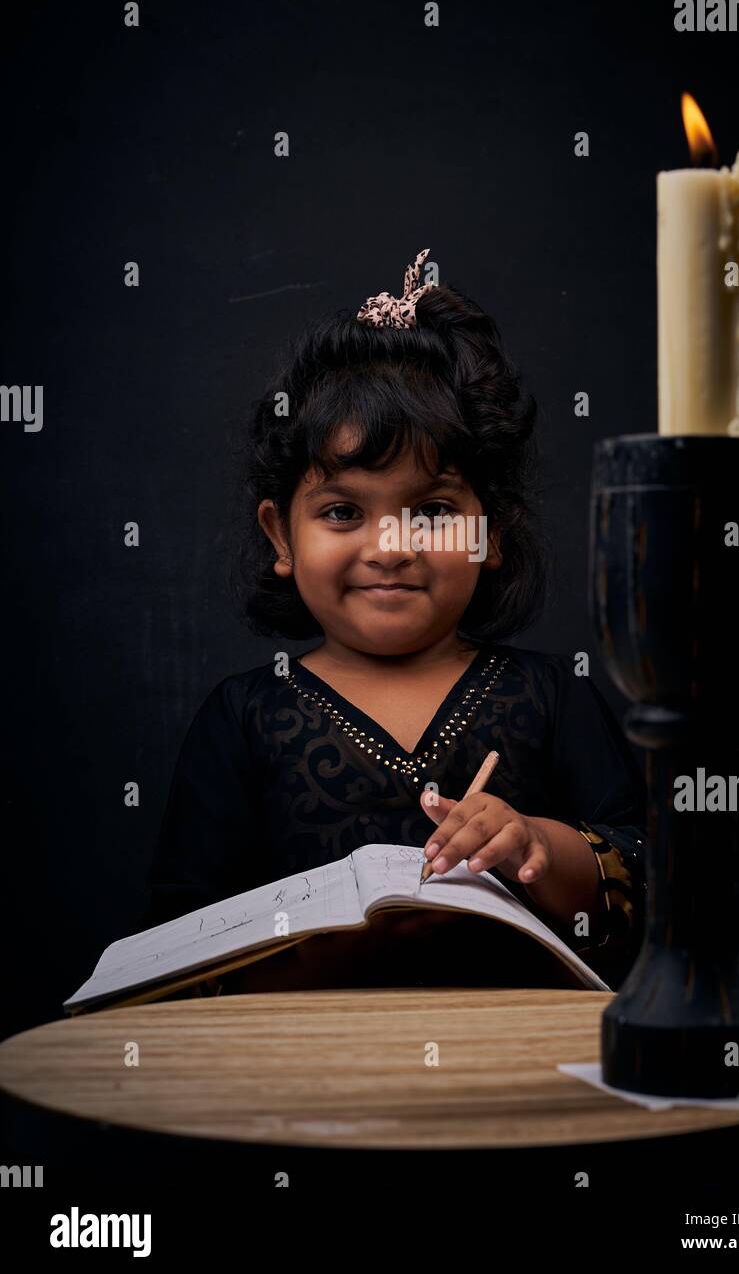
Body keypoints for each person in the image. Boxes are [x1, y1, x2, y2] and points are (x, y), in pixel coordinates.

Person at [142, 248, 647, 992]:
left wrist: (536, 845)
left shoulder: (552, 698)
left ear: (492, 533)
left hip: (522, 1068)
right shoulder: (245, 718)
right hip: (302, 1085)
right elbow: (176, 946)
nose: (390, 548)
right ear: (282, 536)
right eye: (344, 511)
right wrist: (306, 954)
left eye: (434, 512)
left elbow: (642, 885)